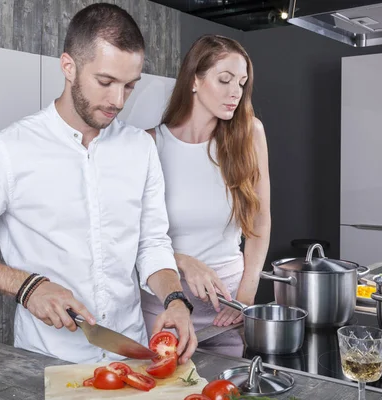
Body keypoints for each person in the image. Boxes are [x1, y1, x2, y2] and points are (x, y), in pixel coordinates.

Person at [0, 3, 197, 365]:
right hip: (47, 360)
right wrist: (26, 286)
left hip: (131, 356)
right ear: (69, 66)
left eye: (129, 86)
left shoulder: (140, 148)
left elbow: (152, 244)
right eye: (105, 81)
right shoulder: (8, 150)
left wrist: (175, 300)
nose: (117, 101)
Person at [140, 35, 271, 356]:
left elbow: (260, 222)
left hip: (228, 308)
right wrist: (183, 262)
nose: (235, 93)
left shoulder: (250, 134)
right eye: (224, 80)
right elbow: (131, 237)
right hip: (163, 308)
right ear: (194, 81)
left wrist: (245, 298)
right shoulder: (149, 145)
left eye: (241, 83)